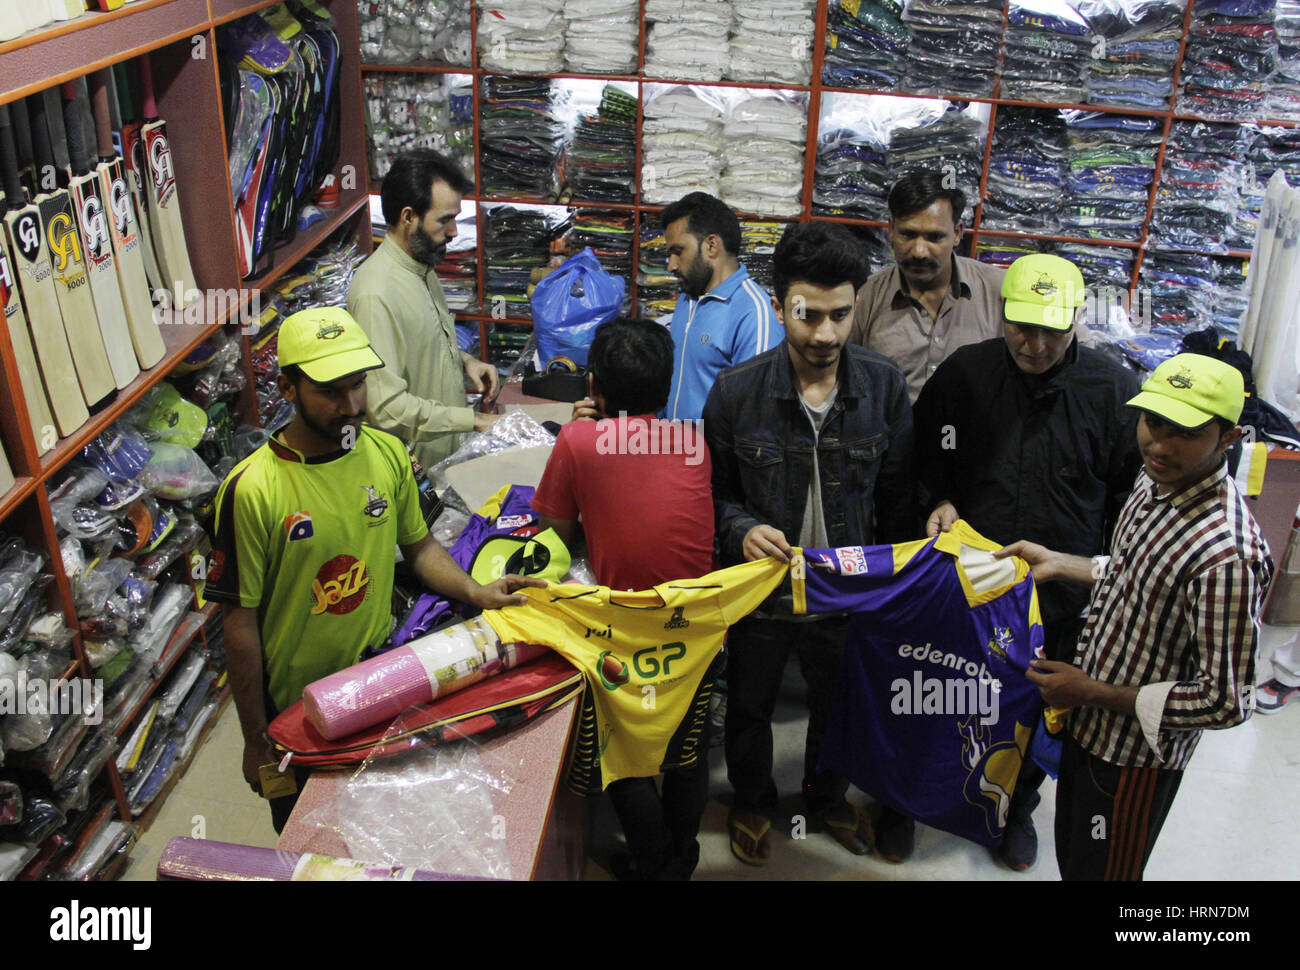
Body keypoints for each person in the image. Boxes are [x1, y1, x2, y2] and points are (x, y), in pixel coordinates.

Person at [208, 307, 540, 832]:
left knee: (376, 824)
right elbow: (239, 625)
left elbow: (422, 547)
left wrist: (479, 593)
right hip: (295, 705)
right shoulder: (252, 490)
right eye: (331, 390)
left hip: (380, 679)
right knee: (307, 835)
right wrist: (254, 740)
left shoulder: (385, 452)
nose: (351, 403)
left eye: (358, 384)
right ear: (286, 388)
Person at [888, 252, 1142, 870]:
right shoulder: (964, 376)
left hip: (1057, 590)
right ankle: (905, 804)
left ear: (1078, 317)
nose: (1035, 344)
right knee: (935, 698)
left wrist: (1100, 575)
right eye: (1022, 326)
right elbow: (925, 454)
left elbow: (1125, 496)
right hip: (970, 585)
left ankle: (1015, 810)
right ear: (1002, 314)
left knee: (1032, 710)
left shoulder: (1113, 391)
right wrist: (940, 497)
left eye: (1052, 329)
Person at [999, 353, 1273, 880]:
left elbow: (1226, 701)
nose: (1159, 444)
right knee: (1077, 861)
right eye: (1153, 422)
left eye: (1185, 432)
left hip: (1132, 762)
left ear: (1229, 437)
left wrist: (1093, 692)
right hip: (1085, 727)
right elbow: (1132, 571)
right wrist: (1064, 564)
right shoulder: (1153, 485)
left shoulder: (1225, 555)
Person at [703, 221, 915, 865]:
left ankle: (825, 799)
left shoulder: (882, 386)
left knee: (839, 705)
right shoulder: (737, 392)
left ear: (857, 306)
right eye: (808, 315)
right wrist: (740, 528)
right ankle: (752, 801)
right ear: (778, 306)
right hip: (763, 591)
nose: (824, 334)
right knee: (749, 705)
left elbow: (900, 498)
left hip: (848, 591)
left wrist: (894, 589)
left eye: (840, 315)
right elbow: (707, 497)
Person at [532, 316, 715, 881]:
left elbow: (555, 538)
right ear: (667, 389)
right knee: (689, 746)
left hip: (625, 631)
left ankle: (656, 863)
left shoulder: (578, 441)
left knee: (622, 748)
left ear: (594, 387)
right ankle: (682, 855)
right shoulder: (693, 442)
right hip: (699, 624)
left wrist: (584, 429)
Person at [346, 149, 500, 472]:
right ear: (408, 218)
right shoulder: (376, 293)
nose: (455, 232)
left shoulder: (421, 266)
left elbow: (420, 342)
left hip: (443, 462)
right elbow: (386, 408)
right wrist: (471, 420)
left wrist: (466, 361)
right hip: (412, 477)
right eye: (445, 220)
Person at [850, 171, 1007, 403]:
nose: (919, 251)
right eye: (908, 235)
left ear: (957, 233)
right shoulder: (865, 297)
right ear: (891, 229)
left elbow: (1067, 347)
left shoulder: (997, 290)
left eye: (934, 237)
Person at [658, 191, 781, 421]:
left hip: (713, 456)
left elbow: (754, 417)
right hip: (672, 450)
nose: (671, 266)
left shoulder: (754, 313)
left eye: (678, 252)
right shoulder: (689, 298)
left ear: (711, 245)